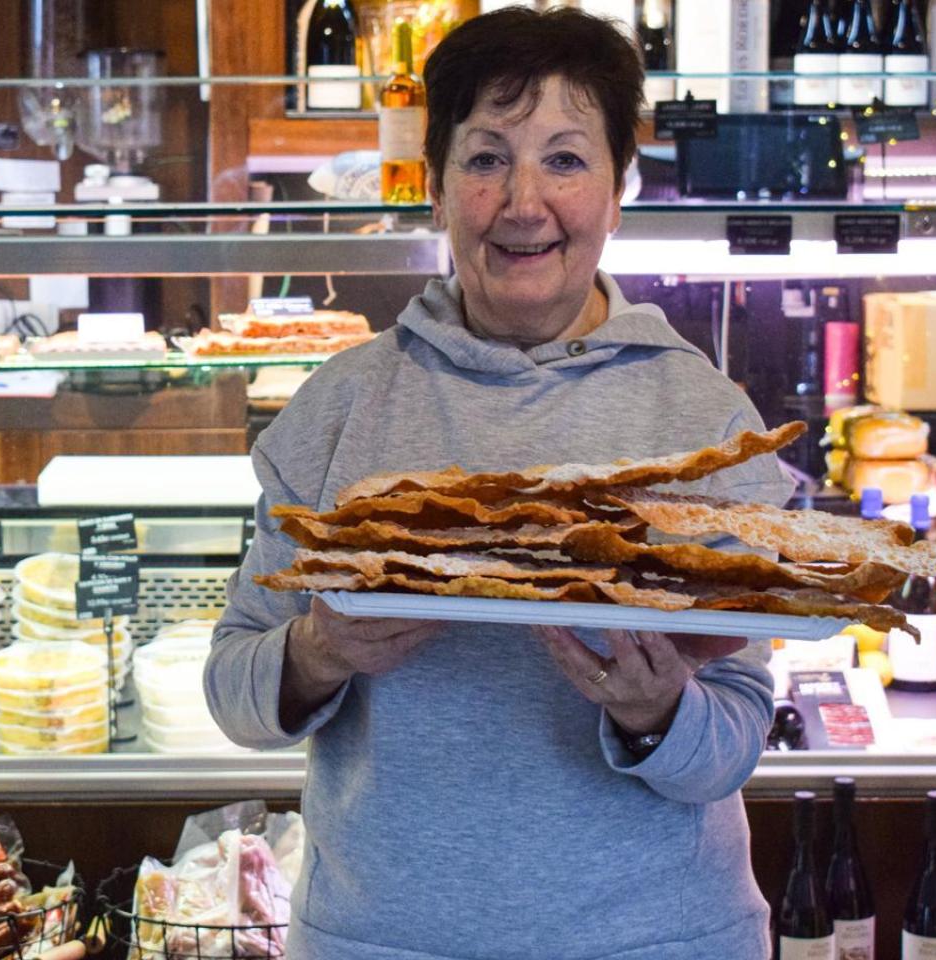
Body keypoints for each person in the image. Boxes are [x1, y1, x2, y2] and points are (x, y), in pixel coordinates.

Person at [205, 7, 795, 960]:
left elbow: (736, 736)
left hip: (656, 939)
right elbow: (234, 689)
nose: (524, 203)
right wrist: (319, 651)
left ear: (618, 191)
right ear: (433, 186)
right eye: (484, 160)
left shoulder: (706, 424)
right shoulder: (340, 410)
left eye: (565, 159)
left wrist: (657, 713)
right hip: (380, 940)